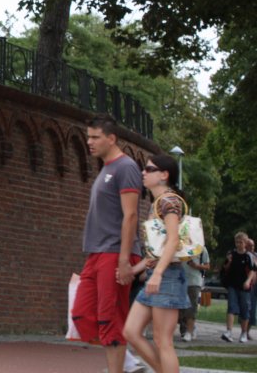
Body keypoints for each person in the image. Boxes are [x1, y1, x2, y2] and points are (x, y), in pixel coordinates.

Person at [71, 114, 142, 373]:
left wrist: (124, 260)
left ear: (111, 139)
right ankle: (127, 360)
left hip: (114, 252)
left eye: (95, 137)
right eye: (88, 137)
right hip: (96, 253)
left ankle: (121, 363)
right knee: (81, 313)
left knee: (110, 318)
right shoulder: (106, 169)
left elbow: (131, 215)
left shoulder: (126, 167)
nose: (89, 142)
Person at [123, 154, 190, 373]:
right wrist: (134, 270)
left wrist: (158, 273)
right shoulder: (157, 204)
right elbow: (157, 251)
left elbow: (173, 240)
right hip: (157, 275)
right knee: (131, 331)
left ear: (164, 175)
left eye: (149, 169)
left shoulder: (169, 201)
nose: (143, 172)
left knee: (163, 341)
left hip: (167, 277)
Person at [221, 232, 256, 342]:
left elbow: (252, 271)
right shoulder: (231, 254)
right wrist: (229, 262)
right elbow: (225, 268)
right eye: (237, 242)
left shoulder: (249, 256)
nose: (238, 244)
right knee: (231, 307)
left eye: (241, 242)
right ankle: (229, 331)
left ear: (245, 243)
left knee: (245, 309)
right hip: (232, 284)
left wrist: (248, 281)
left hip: (244, 286)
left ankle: (244, 333)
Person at [179, 245, 210, 342]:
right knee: (180, 308)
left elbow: (207, 266)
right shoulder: (180, 246)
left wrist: (196, 266)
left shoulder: (201, 248)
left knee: (191, 307)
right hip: (180, 280)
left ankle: (188, 331)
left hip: (194, 281)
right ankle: (187, 328)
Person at [247, 238, 257, 341]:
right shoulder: (245, 256)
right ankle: (245, 332)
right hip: (248, 286)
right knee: (248, 309)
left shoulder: (256, 256)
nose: (251, 247)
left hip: (255, 287)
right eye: (249, 245)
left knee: (253, 310)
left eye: (253, 245)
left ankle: (247, 331)